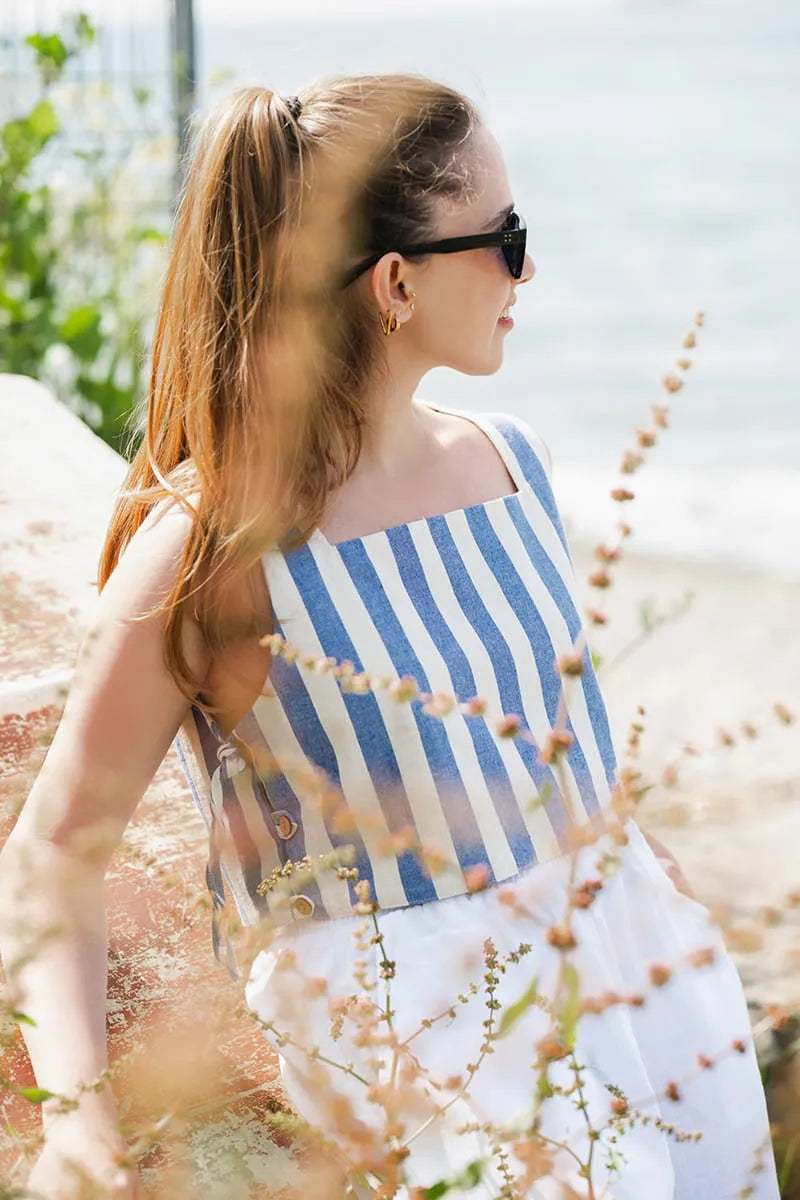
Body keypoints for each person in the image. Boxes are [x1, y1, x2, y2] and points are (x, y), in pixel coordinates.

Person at [0, 75, 779, 1199]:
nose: (529, 268)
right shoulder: (218, 546)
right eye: (505, 238)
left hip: (638, 975)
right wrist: (74, 1121)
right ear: (394, 282)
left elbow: (546, 745)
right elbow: (54, 846)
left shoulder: (509, 459)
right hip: (431, 1038)